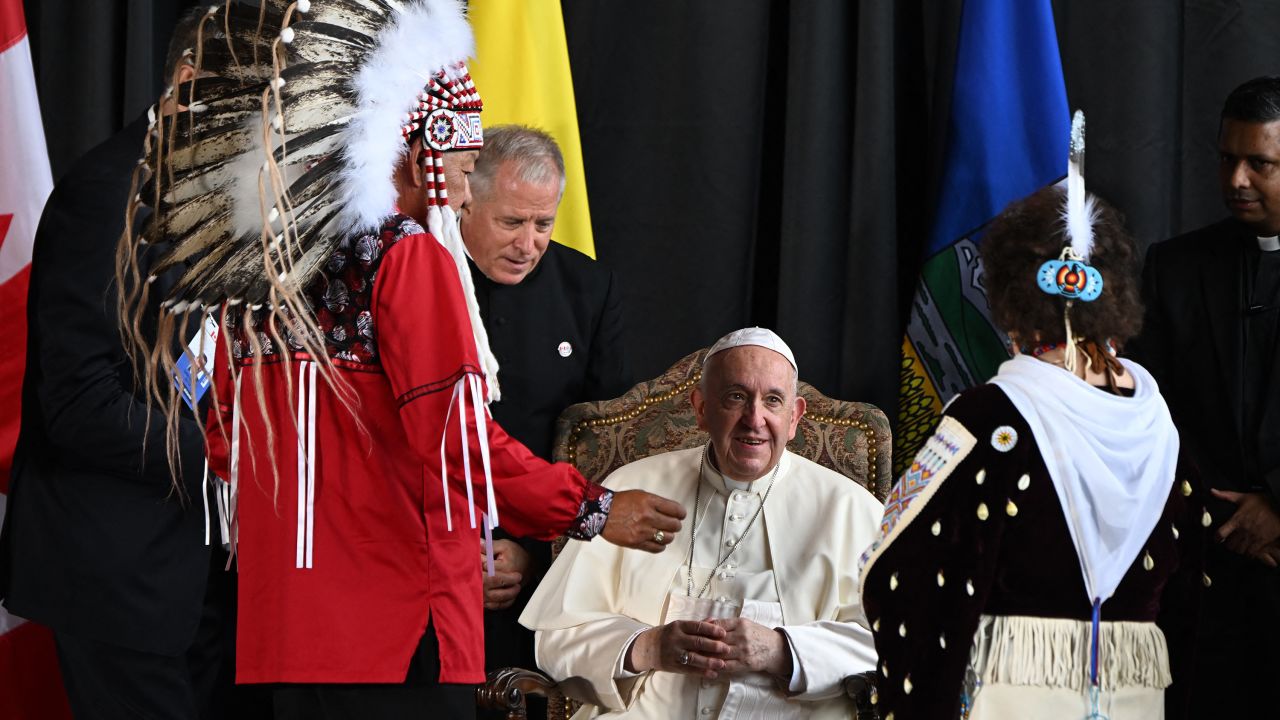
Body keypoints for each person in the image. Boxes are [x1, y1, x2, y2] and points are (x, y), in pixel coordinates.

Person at [111, 3, 683, 719]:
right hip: (393, 626)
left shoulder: (265, 259)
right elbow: (457, 440)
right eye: (467, 168)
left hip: (278, 623)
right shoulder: (407, 256)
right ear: (420, 156)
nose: (468, 189)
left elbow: (219, 428)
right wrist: (592, 508)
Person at [861, 129, 1205, 720]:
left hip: (1011, 694)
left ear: (1009, 298)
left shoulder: (988, 421)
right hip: (1133, 694)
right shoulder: (1158, 423)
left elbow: (897, 570)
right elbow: (1196, 575)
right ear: (1115, 295)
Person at [0, 10, 254, 720]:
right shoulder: (106, 196)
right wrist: (228, 456)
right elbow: (78, 403)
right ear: (187, 82)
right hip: (117, 568)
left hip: (194, 565)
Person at [521, 327, 883, 719]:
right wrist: (649, 647)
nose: (754, 419)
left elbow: (895, 645)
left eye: (773, 401)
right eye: (735, 397)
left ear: (794, 418)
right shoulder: (630, 489)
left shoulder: (850, 509)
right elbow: (557, 636)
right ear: (701, 409)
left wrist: (783, 652)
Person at [1128, 75, 1280, 716]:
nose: (1237, 179)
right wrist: (1218, 512)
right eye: (1227, 159)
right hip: (1203, 559)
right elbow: (1144, 412)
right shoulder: (1175, 267)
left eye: (1260, 163)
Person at [459, 125, 632, 684]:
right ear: (466, 199)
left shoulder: (589, 287)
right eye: (511, 222)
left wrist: (535, 550)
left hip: (540, 578)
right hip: (422, 566)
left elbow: (607, 443)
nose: (528, 243)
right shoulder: (417, 273)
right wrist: (455, 555)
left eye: (543, 223)